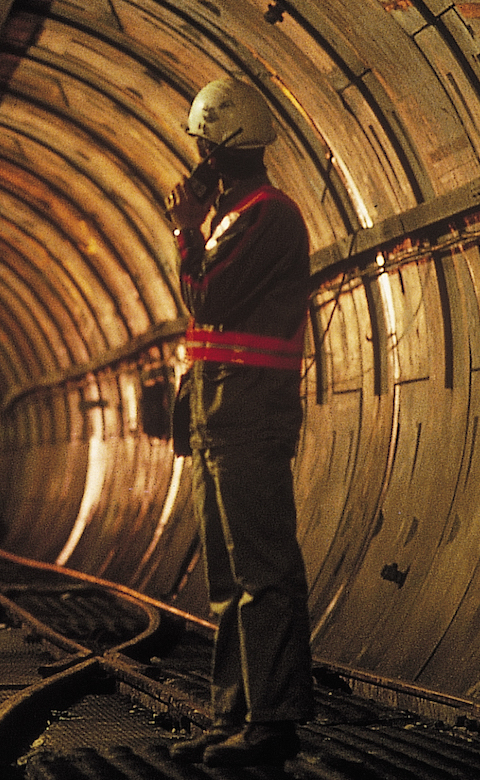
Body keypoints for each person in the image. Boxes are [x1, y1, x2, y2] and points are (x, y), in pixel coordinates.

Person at [163, 78, 316, 767]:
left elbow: (209, 298)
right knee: (227, 581)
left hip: (250, 414)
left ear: (218, 147)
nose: (195, 156)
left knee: (263, 572)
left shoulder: (267, 216)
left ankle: (272, 720)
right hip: (216, 415)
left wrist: (183, 231)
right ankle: (232, 715)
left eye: (200, 144)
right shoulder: (232, 216)